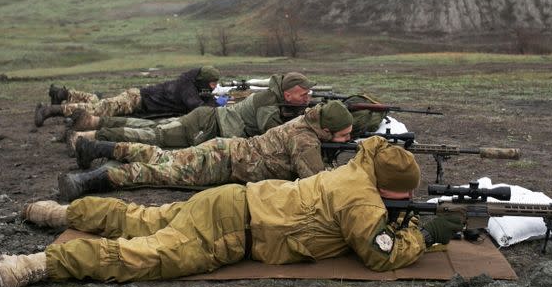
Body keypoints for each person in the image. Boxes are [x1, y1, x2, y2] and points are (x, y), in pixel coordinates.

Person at [0, 137, 465, 287]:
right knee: (141, 255)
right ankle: (30, 265)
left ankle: (53, 212)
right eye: (403, 196)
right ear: (387, 188)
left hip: (229, 201)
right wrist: (424, 236)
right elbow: (378, 254)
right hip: (233, 232)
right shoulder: (362, 202)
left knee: (141, 217)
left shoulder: (356, 167)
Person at [61, 101, 354, 200]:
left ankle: (94, 146)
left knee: (160, 155)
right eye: (344, 135)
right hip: (222, 164)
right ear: (326, 130)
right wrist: (341, 170)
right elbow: (315, 181)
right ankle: (89, 181)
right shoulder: (306, 140)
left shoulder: (307, 119)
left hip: (224, 148)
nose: (347, 139)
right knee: (162, 172)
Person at [64, 72, 315, 150]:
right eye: (303, 95)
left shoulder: (275, 99)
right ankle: (89, 137)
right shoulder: (267, 101)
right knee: (155, 136)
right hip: (205, 126)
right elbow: (272, 132)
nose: (306, 99)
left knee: (150, 128)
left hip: (206, 122)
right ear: (289, 93)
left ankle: (94, 122)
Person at [34, 66, 222, 127]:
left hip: (141, 106)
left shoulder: (195, 85)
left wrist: (216, 103)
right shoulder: (187, 86)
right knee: (97, 108)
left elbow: (204, 100)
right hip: (136, 100)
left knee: (97, 107)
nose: (213, 88)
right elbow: (197, 107)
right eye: (211, 84)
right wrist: (218, 106)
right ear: (203, 81)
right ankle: (50, 110)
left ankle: (63, 95)